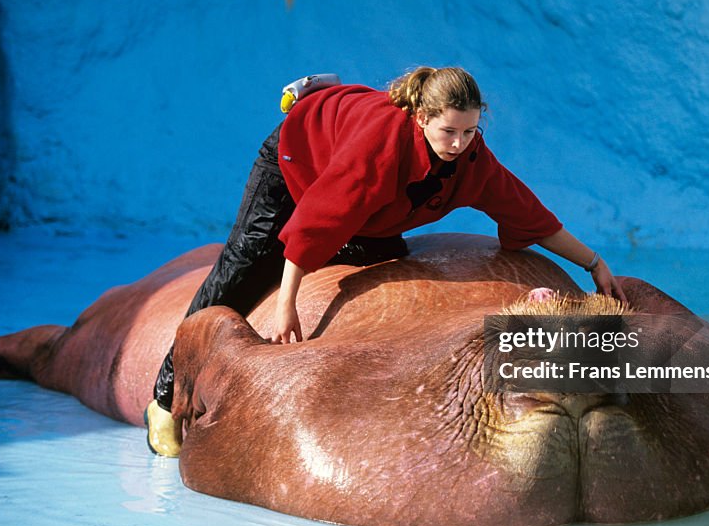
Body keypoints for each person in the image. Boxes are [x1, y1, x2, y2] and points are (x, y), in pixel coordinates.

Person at [144, 66, 627, 456]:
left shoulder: (470, 157)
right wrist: (288, 300)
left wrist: (593, 263)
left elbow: (527, 212)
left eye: (469, 131)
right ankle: (164, 399)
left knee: (385, 252)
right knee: (248, 258)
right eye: (448, 131)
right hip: (300, 151)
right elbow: (318, 218)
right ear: (421, 118)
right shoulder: (378, 145)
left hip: (363, 198)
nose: (459, 144)